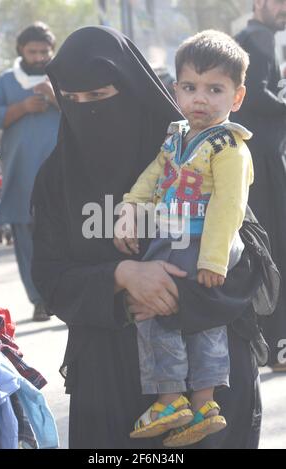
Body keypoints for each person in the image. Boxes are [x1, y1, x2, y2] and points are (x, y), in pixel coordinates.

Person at [31, 26, 271, 449]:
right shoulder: (58, 177)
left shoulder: (189, 150)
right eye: (72, 101)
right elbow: (50, 278)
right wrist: (122, 278)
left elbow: (249, 260)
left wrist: (180, 289)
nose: (86, 111)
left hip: (209, 389)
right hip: (109, 383)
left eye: (100, 96)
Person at [113, 30, 253, 447]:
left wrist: (213, 259)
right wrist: (130, 207)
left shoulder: (230, 147)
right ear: (175, 90)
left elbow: (230, 207)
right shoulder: (176, 136)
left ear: (237, 97)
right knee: (157, 316)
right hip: (167, 241)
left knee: (200, 321)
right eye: (190, 87)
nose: (200, 99)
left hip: (200, 246)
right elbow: (153, 177)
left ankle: (204, 400)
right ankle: (174, 399)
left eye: (215, 89)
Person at [0, 22, 60, 321]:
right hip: (20, 175)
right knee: (26, 237)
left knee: (63, 235)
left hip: (60, 174)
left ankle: (66, 294)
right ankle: (39, 299)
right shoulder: (5, 81)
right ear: (21, 51)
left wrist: (55, 96)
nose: (40, 56)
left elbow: (84, 111)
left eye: (45, 51)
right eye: (34, 51)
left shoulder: (63, 76)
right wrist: (23, 107)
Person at [235, 0, 286, 370]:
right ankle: (277, 344)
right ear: (258, 4)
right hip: (265, 160)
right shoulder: (260, 37)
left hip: (256, 156)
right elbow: (256, 94)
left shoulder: (250, 36)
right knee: (274, 248)